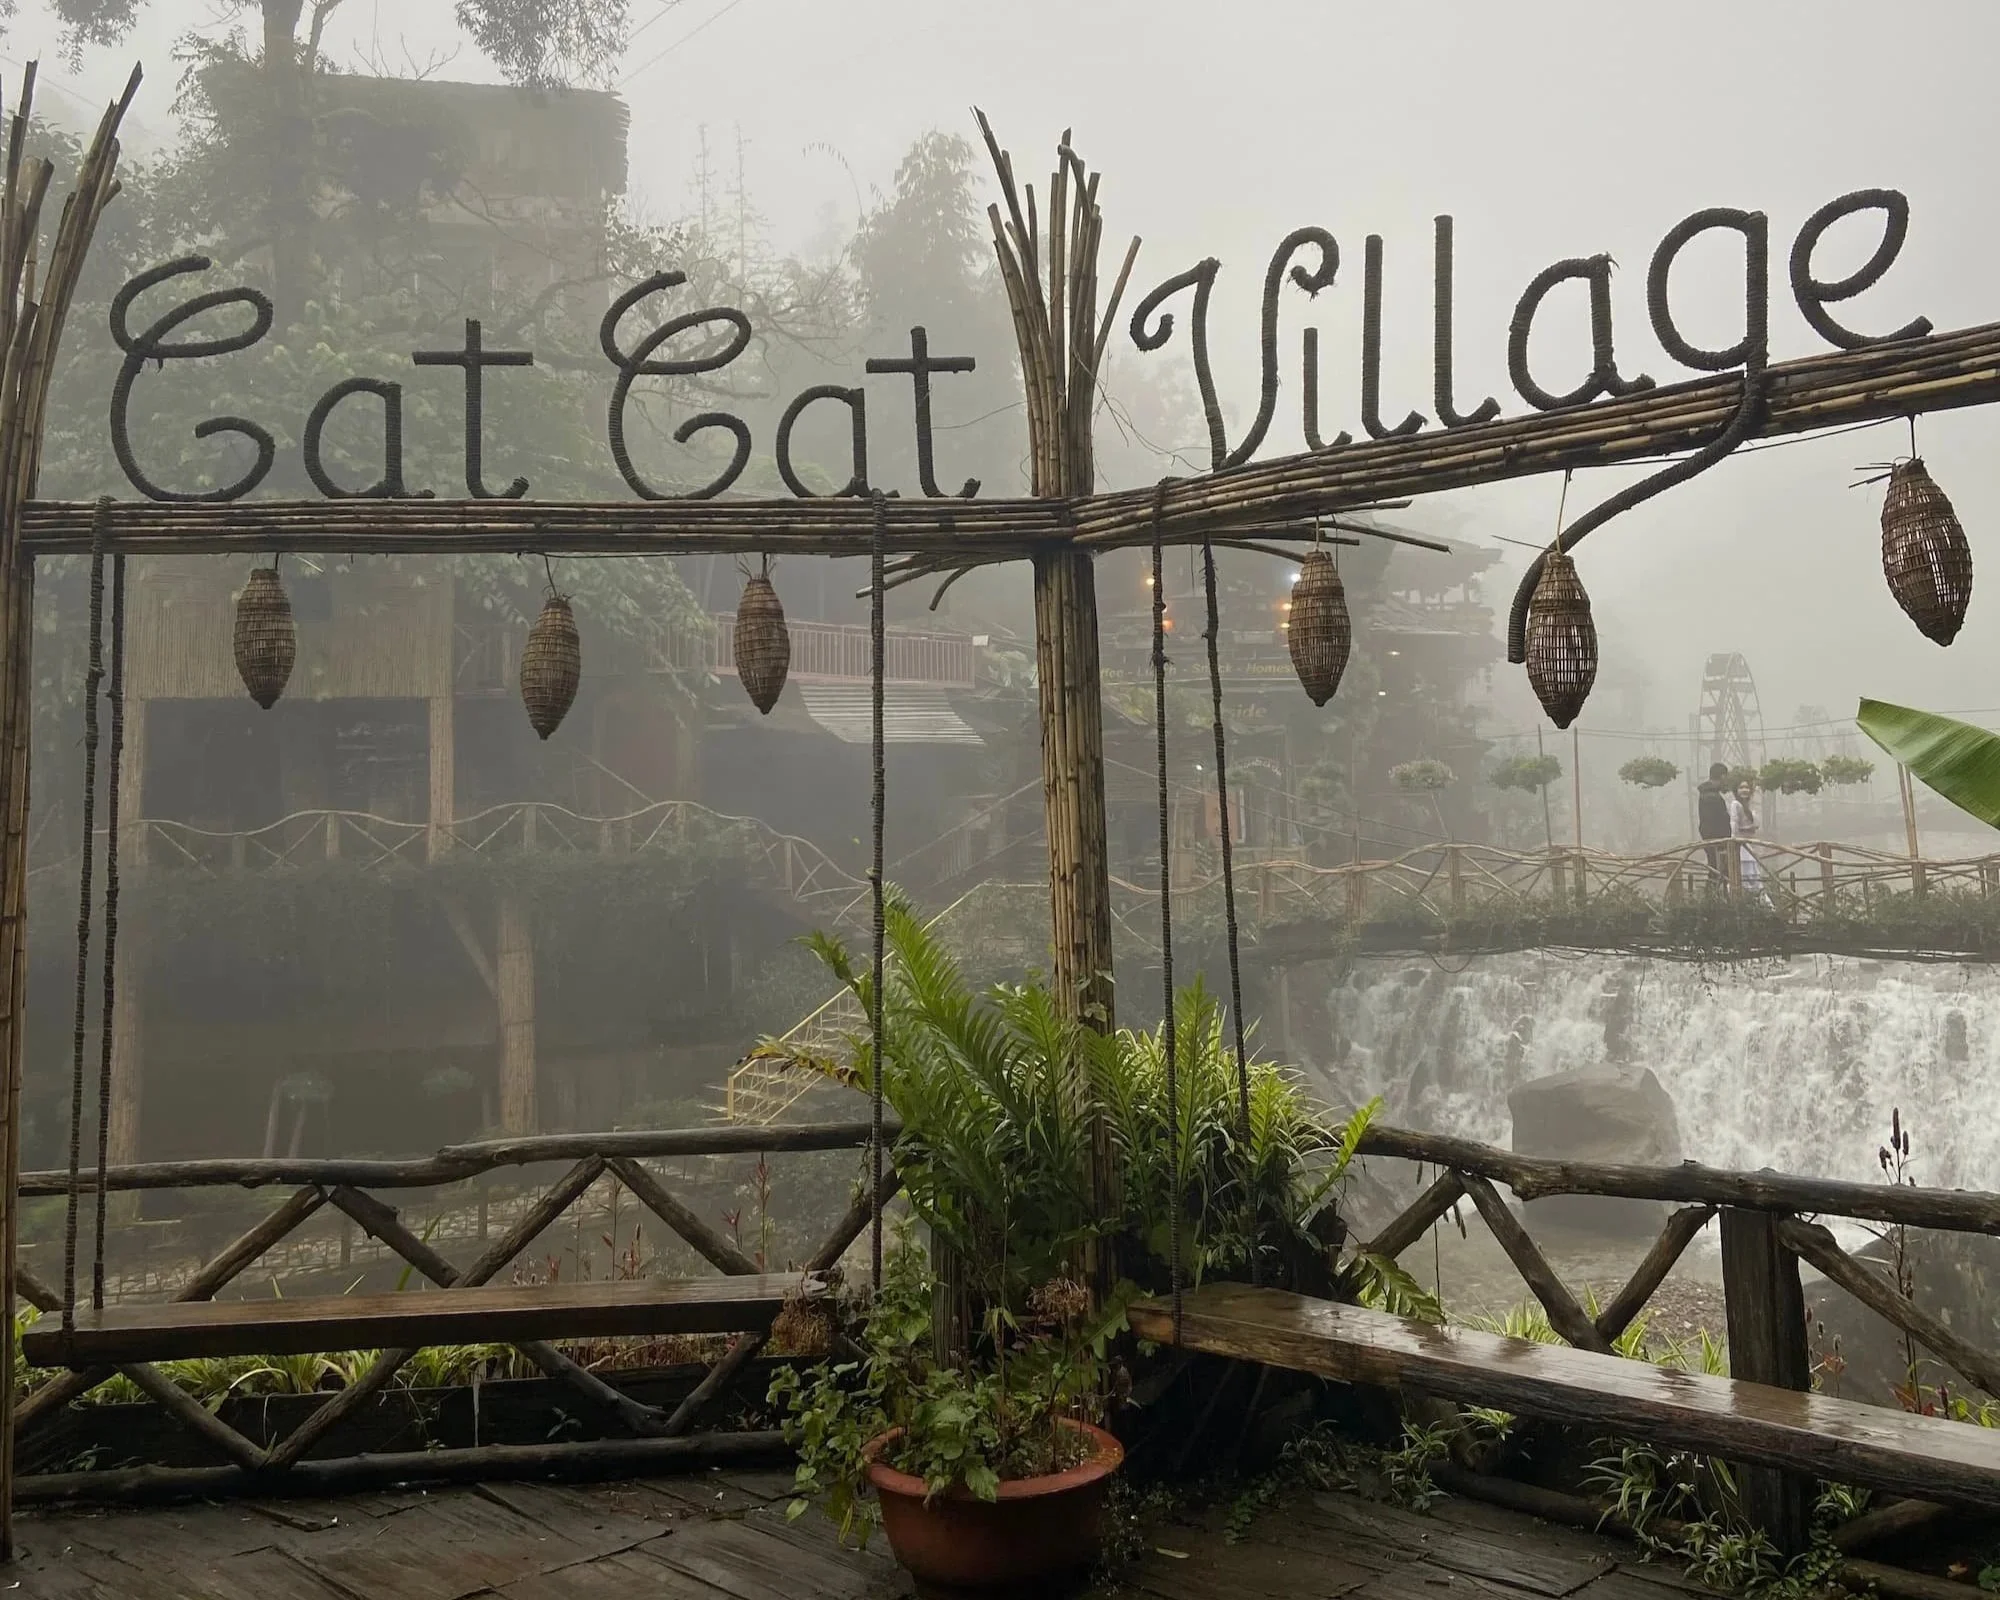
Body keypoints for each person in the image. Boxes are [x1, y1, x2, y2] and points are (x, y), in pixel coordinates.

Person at [1727, 779, 1770, 905]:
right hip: (1741, 846)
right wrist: (1733, 839)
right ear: (1736, 790)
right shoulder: (1735, 804)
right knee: (1744, 874)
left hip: (1750, 845)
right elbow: (1734, 822)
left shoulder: (1749, 806)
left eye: (1747, 787)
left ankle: (1756, 903)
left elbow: (1756, 824)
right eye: (1741, 787)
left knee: (1753, 876)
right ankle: (1743, 903)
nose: (1744, 790)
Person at [1697, 762, 1732, 888]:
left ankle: (1715, 894)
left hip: (1713, 839)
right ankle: (1712, 895)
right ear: (1722, 776)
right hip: (1716, 841)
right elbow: (1717, 821)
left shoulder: (1708, 794)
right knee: (1717, 870)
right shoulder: (1711, 797)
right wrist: (1723, 839)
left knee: (1716, 870)